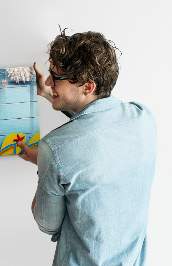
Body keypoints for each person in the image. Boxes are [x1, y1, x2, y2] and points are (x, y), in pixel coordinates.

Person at [17, 30, 157, 265]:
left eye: (56, 77)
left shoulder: (54, 149)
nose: (49, 81)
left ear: (88, 87)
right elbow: (96, 126)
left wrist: (45, 163)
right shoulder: (143, 118)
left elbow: (46, 223)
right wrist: (49, 94)